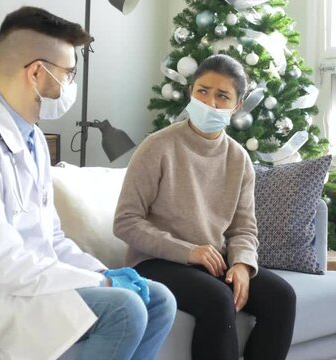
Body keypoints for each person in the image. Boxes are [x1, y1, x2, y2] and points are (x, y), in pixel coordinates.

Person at [0, 7, 176, 360]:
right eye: (69, 73)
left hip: (19, 279)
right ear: (37, 72)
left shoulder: (32, 137)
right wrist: (105, 285)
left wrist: (104, 271)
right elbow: (0, 264)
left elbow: (50, 240)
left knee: (160, 300)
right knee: (124, 310)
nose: (71, 84)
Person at [114, 54, 296, 360]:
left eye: (222, 96)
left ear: (237, 106)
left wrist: (241, 263)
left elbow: (243, 228)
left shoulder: (239, 159)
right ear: (190, 91)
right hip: (156, 261)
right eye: (202, 91)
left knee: (282, 297)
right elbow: (126, 222)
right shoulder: (157, 147)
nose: (210, 101)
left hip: (212, 261)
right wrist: (188, 251)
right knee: (217, 299)